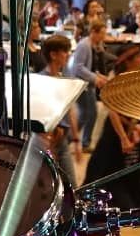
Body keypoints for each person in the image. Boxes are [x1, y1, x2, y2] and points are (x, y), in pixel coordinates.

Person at [37, 34, 83, 183]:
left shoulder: (64, 78)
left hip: (63, 139)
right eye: (65, 51)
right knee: (50, 184)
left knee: (71, 184)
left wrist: (76, 140)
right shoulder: (42, 80)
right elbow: (40, 112)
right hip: (47, 140)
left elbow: (70, 110)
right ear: (53, 55)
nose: (68, 55)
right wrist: (47, 143)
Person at [67, 18, 110, 150]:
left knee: (89, 113)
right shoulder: (84, 45)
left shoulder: (92, 45)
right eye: (101, 33)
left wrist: (98, 76)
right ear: (93, 32)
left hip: (86, 85)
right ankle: (73, 140)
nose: (104, 36)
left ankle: (81, 141)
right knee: (88, 113)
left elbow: (90, 67)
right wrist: (95, 78)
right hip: (81, 85)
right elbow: (78, 68)